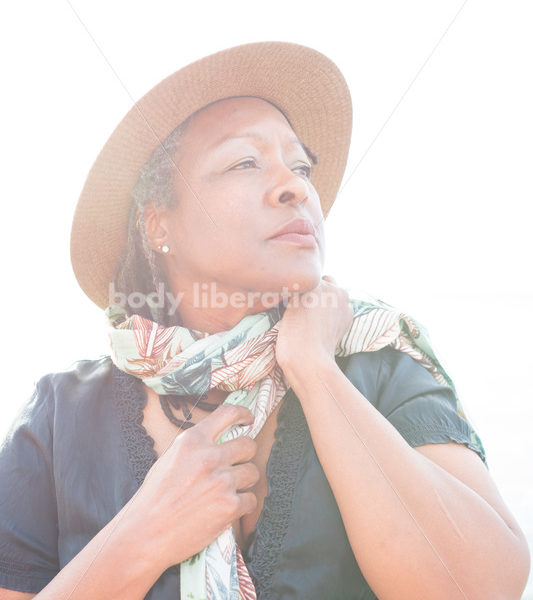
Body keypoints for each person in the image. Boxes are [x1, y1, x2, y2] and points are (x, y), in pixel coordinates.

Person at [0, 42, 529, 600]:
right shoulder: (61, 417)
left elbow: (481, 587)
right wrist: (142, 535)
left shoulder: (382, 367)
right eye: (244, 162)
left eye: (301, 166)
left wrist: (316, 371)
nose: (296, 186)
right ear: (159, 225)